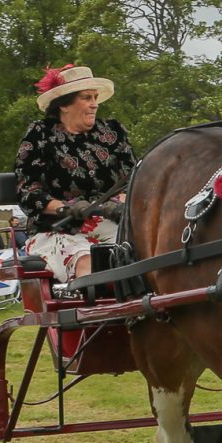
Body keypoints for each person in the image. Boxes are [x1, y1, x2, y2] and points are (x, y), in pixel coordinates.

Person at [15, 64, 135, 281]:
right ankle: (95, 309)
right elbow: (27, 192)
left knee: (144, 248)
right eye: (86, 98)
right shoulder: (40, 135)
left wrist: (117, 204)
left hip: (111, 224)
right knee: (88, 259)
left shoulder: (113, 132)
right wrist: (66, 209)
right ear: (64, 105)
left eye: (95, 97)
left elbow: (133, 179)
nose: (94, 104)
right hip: (57, 231)